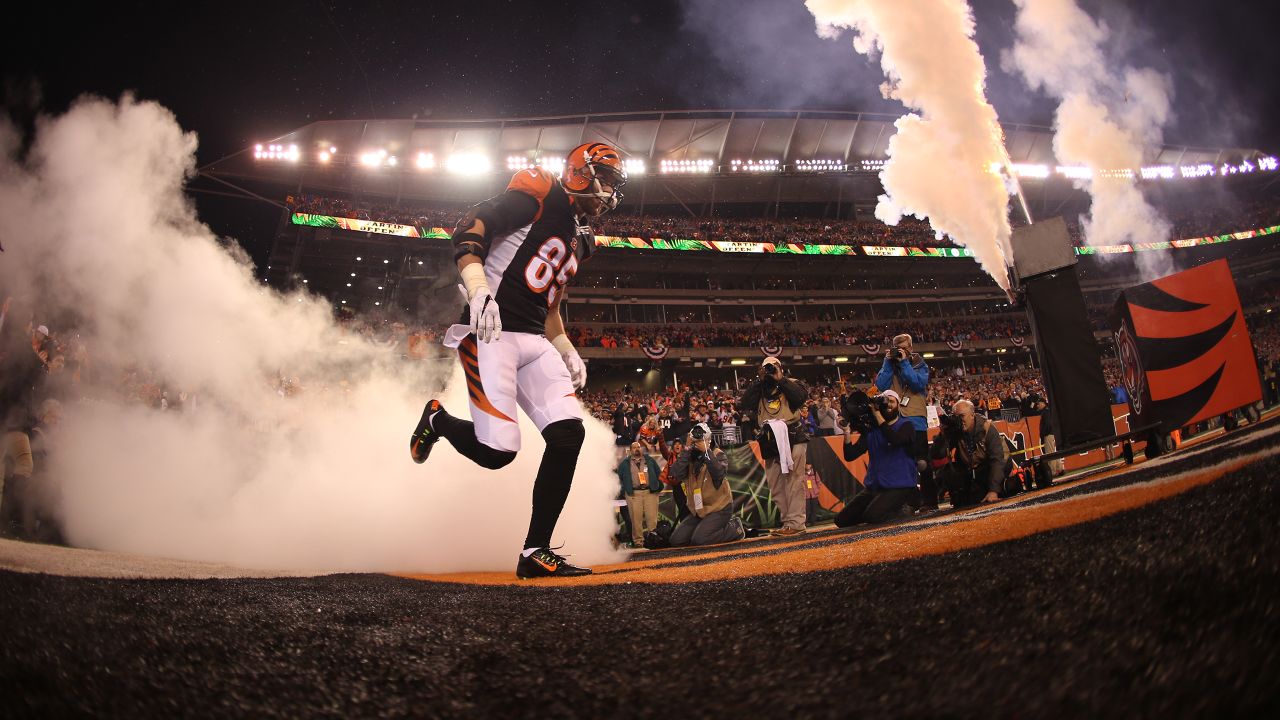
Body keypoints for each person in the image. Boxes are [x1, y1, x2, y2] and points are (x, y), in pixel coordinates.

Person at [407, 142, 627, 579]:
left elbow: (550, 307)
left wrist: (565, 347)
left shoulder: (582, 240)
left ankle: (535, 551)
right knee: (497, 452)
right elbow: (470, 227)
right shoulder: (540, 190)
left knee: (568, 435)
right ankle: (437, 421)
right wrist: (477, 289)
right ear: (580, 173)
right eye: (607, 179)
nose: (611, 191)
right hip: (490, 332)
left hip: (533, 339)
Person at [739, 356, 810, 536]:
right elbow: (745, 403)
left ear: (780, 367)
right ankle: (787, 522)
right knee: (776, 484)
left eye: (773, 367)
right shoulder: (760, 387)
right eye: (766, 368)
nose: (770, 370)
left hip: (792, 434)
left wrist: (781, 379)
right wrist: (759, 381)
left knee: (794, 481)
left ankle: (797, 523)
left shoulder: (793, 383)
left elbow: (800, 398)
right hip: (770, 439)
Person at [834, 390, 918, 526]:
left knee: (873, 517)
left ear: (899, 405)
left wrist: (877, 414)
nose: (888, 404)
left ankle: (904, 508)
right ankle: (877, 510)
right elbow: (850, 455)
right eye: (886, 401)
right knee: (841, 520)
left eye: (892, 401)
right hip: (875, 487)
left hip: (900, 486)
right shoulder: (872, 430)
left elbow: (895, 439)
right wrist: (847, 432)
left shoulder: (906, 425)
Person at [875, 333, 936, 513]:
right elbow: (881, 385)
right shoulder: (890, 365)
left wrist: (904, 362)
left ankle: (930, 501)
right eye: (897, 347)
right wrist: (887, 362)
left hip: (915, 418)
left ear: (910, 348)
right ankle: (911, 502)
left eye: (903, 347)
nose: (901, 351)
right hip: (897, 420)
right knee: (902, 463)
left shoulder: (919, 364)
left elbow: (917, 384)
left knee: (922, 462)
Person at [668, 424, 745, 546]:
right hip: (699, 511)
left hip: (719, 509)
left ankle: (734, 529)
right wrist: (687, 449)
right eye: (696, 439)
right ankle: (703, 529)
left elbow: (719, 474)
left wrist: (706, 451)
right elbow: (675, 473)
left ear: (709, 439)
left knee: (700, 539)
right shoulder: (690, 457)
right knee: (676, 541)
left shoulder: (718, 454)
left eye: (701, 438)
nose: (698, 441)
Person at [932, 399, 1010, 508]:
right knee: (947, 472)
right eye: (956, 417)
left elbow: (997, 460)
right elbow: (937, 454)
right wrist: (944, 434)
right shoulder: (956, 431)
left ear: (972, 415)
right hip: (974, 468)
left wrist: (993, 490)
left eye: (962, 416)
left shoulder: (987, 428)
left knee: (986, 491)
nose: (959, 421)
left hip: (993, 466)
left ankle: (999, 487)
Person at [616, 441, 663, 548]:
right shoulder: (624, 464)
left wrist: (658, 487)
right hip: (634, 494)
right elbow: (619, 479)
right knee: (635, 519)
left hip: (649, 493)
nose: (637, 449)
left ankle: (653, 539)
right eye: (634, 447)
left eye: (638, 447)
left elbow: (659, 474)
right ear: (630, 450)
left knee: (652, 518)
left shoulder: (650, 460)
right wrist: (625, 491)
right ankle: (638, 542)